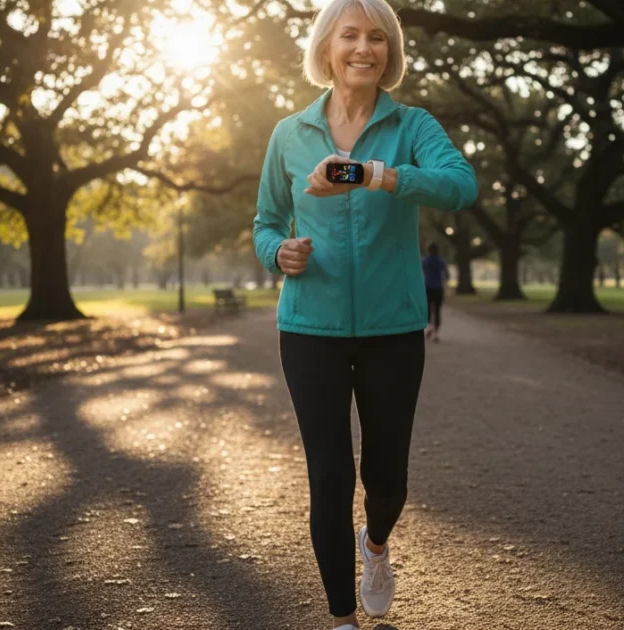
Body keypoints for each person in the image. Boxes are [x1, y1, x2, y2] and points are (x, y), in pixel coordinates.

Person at [250, 0, 477, 627]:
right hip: (309, 330)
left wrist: (370, 173)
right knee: (329, 475)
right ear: (327, 46)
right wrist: (280, 252)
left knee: (387, 480)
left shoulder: (413, 126)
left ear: (389, 51)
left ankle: (375, 545)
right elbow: (267, 220)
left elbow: (460, 185)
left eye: (378, 38)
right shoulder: (288, 135)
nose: (364, 48)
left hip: (393, 332)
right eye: (350, 34)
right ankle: (342, 618)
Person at [421, 242, 449, 342]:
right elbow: (446, 274)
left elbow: (421, 271)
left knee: (428, 309)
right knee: (437, 310)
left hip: (427, 288)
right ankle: (436, 332)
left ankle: (429, 327)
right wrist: (444, 281)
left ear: (428, 250)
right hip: (438, 288)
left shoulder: (425, 261)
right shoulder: (440, 261)